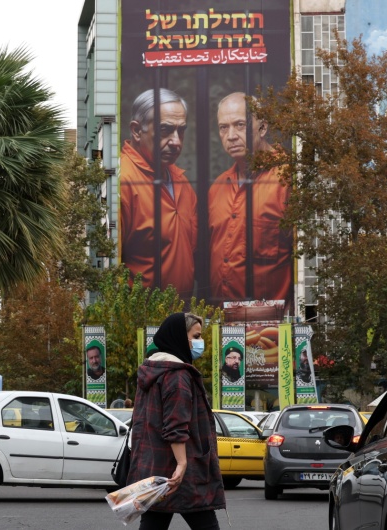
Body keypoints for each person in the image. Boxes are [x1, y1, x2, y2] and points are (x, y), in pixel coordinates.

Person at [127, 313, 225, 529]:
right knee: (205, 523)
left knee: (154, 521)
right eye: (196, 336)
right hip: (181, 471)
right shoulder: (177, 376)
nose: (200, 343)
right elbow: (175, 424)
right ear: (180, 337)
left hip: (155, 467)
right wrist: (181, 464)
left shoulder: (152, 371)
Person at [208, 92, 292, 305]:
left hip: (269, 327)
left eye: (240, 125)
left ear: (263, 128)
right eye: (223, 127)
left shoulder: (288, 178)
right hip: (221, 323)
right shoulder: (217, 188)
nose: (231, 135)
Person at [120, 89, 198, 300]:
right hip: (140, 322)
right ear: (137, 131)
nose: (176, 142)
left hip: (179, 318)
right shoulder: (123, 182)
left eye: (181, 131)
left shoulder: (181, 181)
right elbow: (108, 268)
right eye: (165, 130)